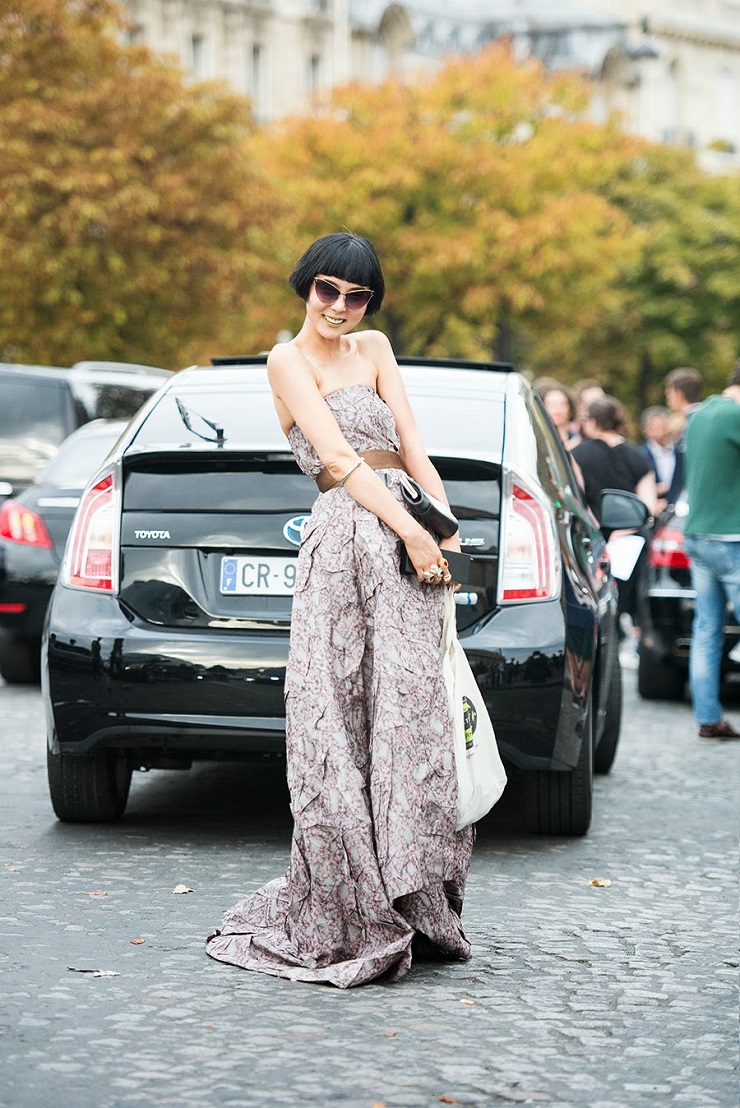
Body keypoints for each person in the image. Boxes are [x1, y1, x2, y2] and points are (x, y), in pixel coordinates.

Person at [205, 232, 475, 987]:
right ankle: (354, 903)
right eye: (328, 289)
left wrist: (445, 530)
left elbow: (412, 446)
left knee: (409, 716)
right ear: (306, 286)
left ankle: (418, 900)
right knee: (339, 715)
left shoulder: (377, 348)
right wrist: (411, 530)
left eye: (357, 296)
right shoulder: (285, 361)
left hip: (407, 543)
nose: (341, 306)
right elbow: (338, 458)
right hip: (346, 545)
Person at [683, 363, 740, 741]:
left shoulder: (699, 415)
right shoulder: (735, 416)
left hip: (697, 535)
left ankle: (708, 718)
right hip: (731, 536)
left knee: (706, 630)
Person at [571, 396, 657, 639]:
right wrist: (626, 528)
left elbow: (577, 500)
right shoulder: (638, 455)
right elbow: (649, 506)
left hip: (591, 540)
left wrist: (597, 527)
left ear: (593, 422)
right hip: (631, 542)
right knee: (625, 604)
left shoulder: (577, 454)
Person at [664, 366, 703, 506]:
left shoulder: (695, 422)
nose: (668, 399)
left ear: (678, 394)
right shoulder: (691, 421)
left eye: (669, 394)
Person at [639, 405, 676, 513]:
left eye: (663, 426)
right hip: (654, 510)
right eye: (655, 426)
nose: (660, 430)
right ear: (646, 429)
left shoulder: (678, 452)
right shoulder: (641, 454)